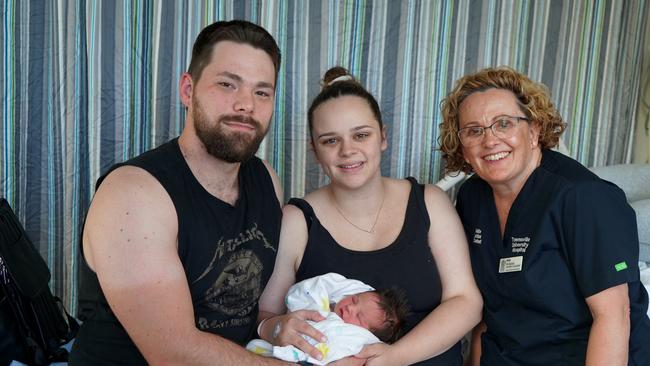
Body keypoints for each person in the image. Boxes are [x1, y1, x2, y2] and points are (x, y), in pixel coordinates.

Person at [70, 20, 291, 365]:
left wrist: (277, 329)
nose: (246, 104)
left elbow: (251, 312)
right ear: (187, 90)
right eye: (227, 84)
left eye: (262, 92)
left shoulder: (266, 181)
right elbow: (175, 354)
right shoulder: (133, 194)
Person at [256, 66, 483, 366]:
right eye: (330, 140)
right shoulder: (298, 221)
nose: (348, 151)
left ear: (382, 137)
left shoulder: (429, 203)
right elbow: (266, 316)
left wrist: (392, 357)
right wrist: (275, 328)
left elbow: (466, 302)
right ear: (315, 151)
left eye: (361, 135)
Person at [438, 66, 650, 365]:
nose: (490, 141)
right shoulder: (473, 197)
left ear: (534, 130)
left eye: (504, 124)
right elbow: (488, 315)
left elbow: (614, 316)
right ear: (462, 144)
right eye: (474, 131)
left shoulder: (584, 198)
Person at [247, 273, 410, 364]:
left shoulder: (353, 337)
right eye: (354, 300)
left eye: (358, 317)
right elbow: (304, 293)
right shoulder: (325, 298)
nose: (350, 308)